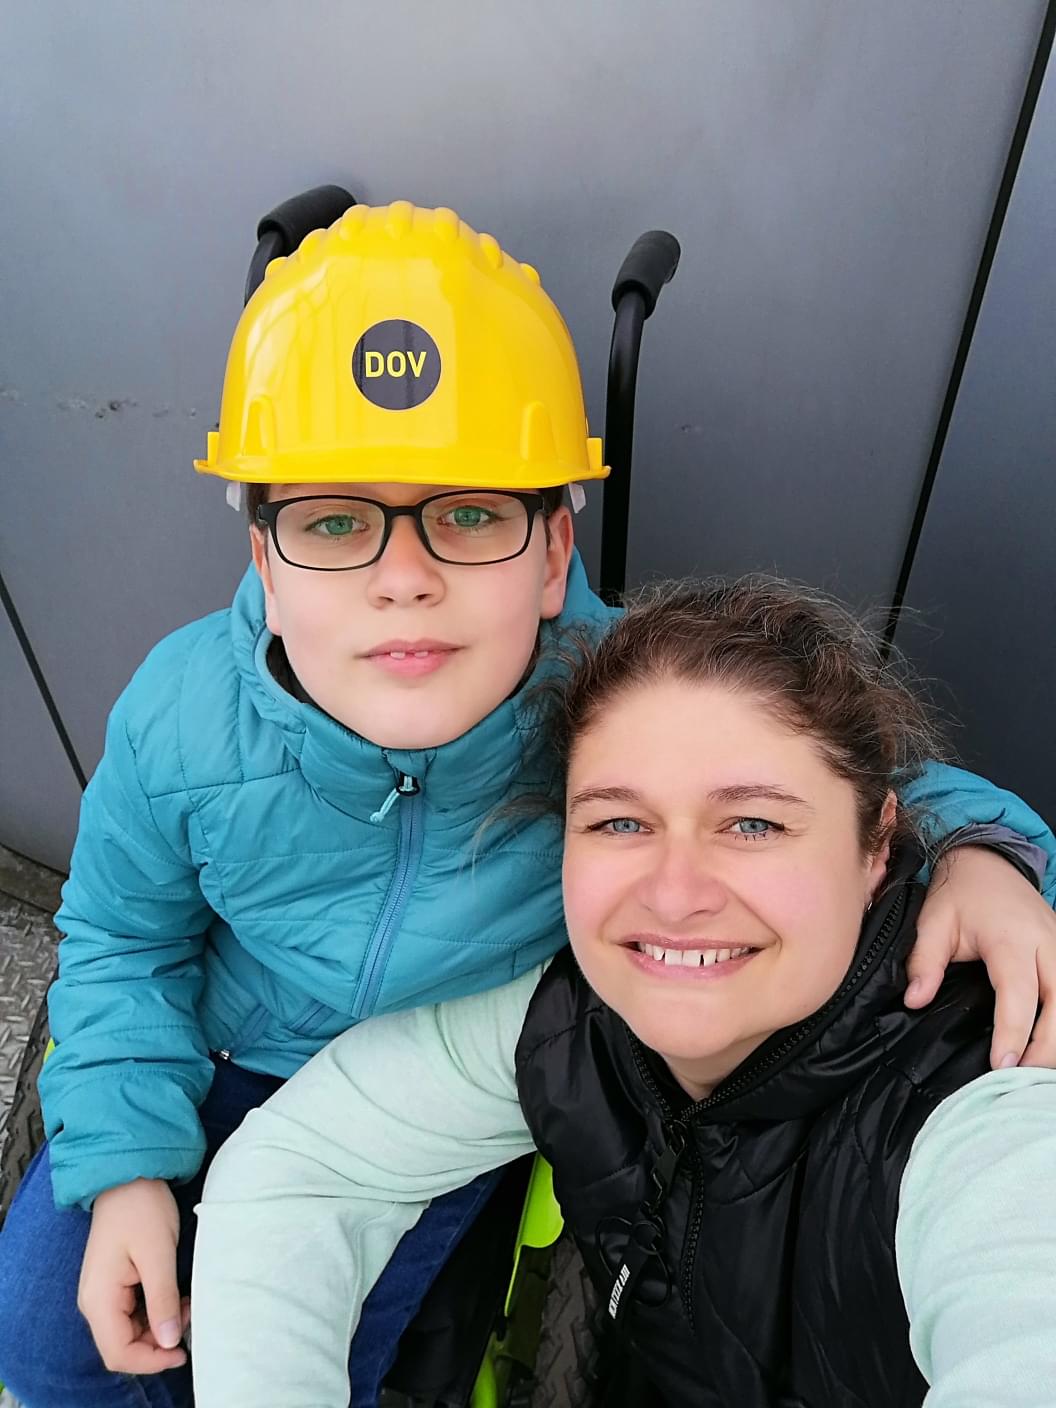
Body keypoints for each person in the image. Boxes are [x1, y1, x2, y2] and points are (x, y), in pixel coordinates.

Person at [0, 202, 1050, 1407]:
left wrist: (983, 851)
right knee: (47, 1348)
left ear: (554, 555)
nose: (404, 577)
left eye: (469, 514)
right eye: (334, 520)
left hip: (451, 1087)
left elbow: (839, 772)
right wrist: (129, 1165)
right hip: (225, 1054)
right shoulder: (178, 716)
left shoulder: (605, 701)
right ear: (265, 564)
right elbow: (123, 938)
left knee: (354, 1359)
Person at [191, 577, 1056, 1408]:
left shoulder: (989, 1112)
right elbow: (301, 1170)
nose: (675, 895)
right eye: (620, 822)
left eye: (754, 823)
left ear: (876, 848)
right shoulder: (571, 1019)